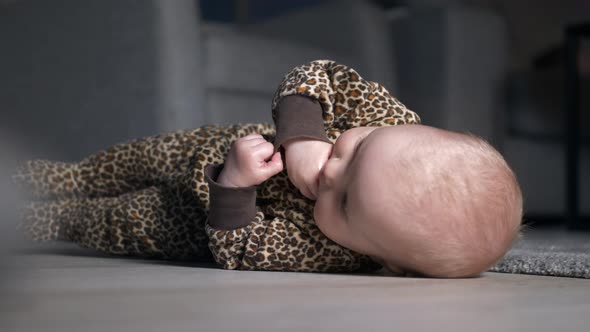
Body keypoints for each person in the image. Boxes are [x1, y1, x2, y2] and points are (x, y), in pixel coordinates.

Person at [14, 60, 522, 277]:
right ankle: (35, 179)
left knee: (103, 220)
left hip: (178, 221)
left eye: (343, 203)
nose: (330, 172)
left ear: (383, 260)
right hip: (193, 147)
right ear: (408, 128)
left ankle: (38, 219)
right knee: (103, 169)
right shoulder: (386, 119)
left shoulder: (328, 254)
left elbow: (241, 249)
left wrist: (234, 186)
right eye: (356, 150)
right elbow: (317, 75)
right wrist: (303, 136)